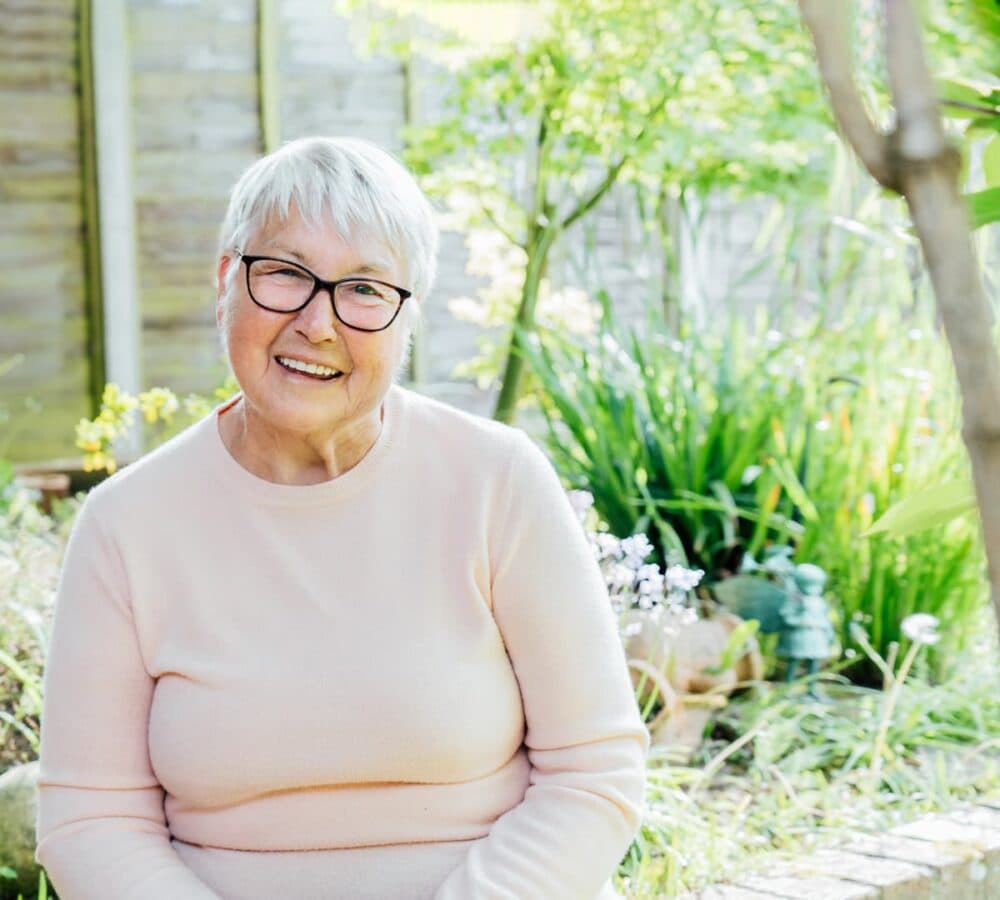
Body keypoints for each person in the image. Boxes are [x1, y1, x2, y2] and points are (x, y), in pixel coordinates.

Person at [35, 136, 649, 900]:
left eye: (364, 289)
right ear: (228, 281)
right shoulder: (126, 524)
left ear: (407, 318)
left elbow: (594, 772)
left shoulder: (498, 480)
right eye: (286, 274)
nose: (318, 323)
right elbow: (91, 819)